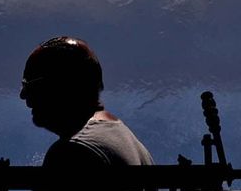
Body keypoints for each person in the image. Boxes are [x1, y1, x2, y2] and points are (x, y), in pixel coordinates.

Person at [19, 36, 153, 166]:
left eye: (31, 84)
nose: (23, 95)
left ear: (64, 85)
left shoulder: (71, 152)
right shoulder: (135, 146)